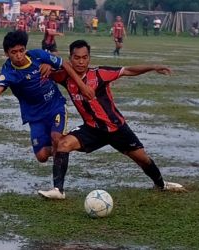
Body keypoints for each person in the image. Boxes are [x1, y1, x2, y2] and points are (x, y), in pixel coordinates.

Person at [38, 39, 186, 199]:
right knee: (63, 144)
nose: (81, 61)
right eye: (77, 58)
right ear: (70, 58)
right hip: (92, 129)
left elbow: (127, 70)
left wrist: (153, 67)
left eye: (84, 57)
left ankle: (161, 185)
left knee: (142, 159)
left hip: (117, 129)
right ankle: (58, 190)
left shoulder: (100, 74)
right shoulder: (65, 77)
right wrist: (47, 63)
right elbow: (40, 69)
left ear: (89, 58)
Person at [0, 31, 94, 167]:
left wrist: (81, 86)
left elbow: (63, 64)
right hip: (34, 115)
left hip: (55, 106)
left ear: (25, 49)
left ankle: (57, 185)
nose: (18, 55)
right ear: (7, 53)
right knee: (42, 156)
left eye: (21, 50)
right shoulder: (9, 71)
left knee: (56, 138)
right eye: (13, 52)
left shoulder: (38, 55)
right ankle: (67, 145)